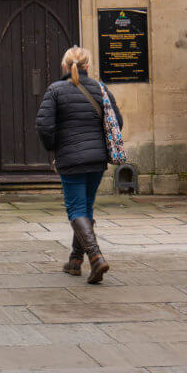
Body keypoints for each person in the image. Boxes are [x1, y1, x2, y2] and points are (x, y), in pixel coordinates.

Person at [35, 46, 122, 284]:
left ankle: (95, 257)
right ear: (87, 66)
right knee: (86, 208)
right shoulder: (101, 89)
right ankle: (75, 260)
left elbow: (44, 125)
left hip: (70, 159)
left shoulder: (56, 90)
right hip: (96, 159)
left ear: (65, 66)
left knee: (75, 209)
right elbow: (117, 122)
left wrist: (55, 146)